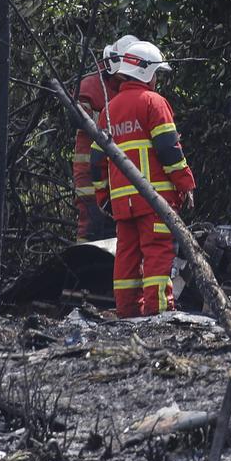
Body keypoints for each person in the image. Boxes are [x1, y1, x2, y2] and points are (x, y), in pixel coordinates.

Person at [89, 41, 196, 318]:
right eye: (157, 73)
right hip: (155, 201)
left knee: (126, 259)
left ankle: (127, 313)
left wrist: (104, 198)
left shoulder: (108, 112)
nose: (158, 79)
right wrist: (185, 184)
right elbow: (169, 149)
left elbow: (96, 163)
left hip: (123, 205)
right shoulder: (154, 103)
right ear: (146, 72)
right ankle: (159, 315)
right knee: (158, 256)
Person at [73, 34, 136, 242]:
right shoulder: (90, 87)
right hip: (90, 175)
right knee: (90, 227)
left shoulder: (130, 88)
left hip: (120, 174)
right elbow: (81, 122)